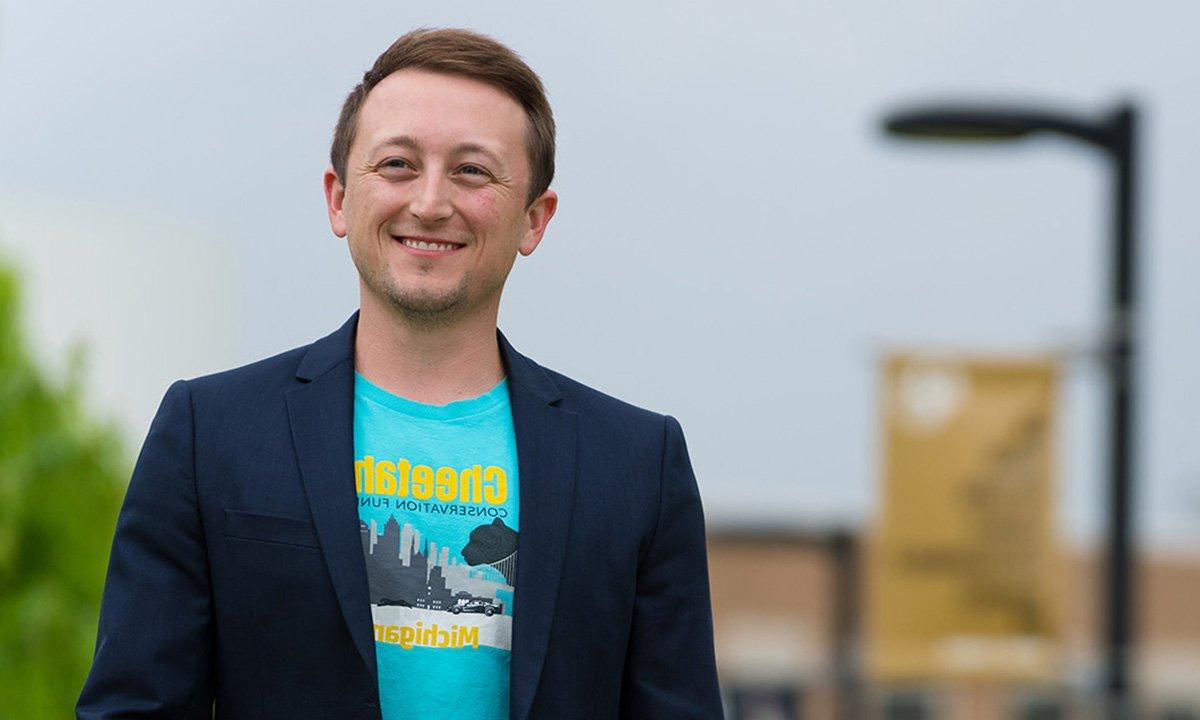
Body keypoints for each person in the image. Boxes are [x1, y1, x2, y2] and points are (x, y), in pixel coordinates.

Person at [77, 28, 722, 720]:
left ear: (535, 219)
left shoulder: (635, 466)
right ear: (338, 198)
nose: (430, 202)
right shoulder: (211, 435)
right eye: (397, 165)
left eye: (473, 170)